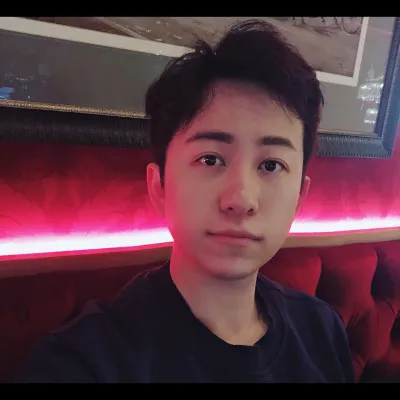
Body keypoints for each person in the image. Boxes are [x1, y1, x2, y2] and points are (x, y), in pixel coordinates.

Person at [14, 19, 355, 383]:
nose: (241, 199)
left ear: (299, 197)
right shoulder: (82, 363)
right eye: (210, 159)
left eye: (271, 165)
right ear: (159, 185)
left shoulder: (321, 329)